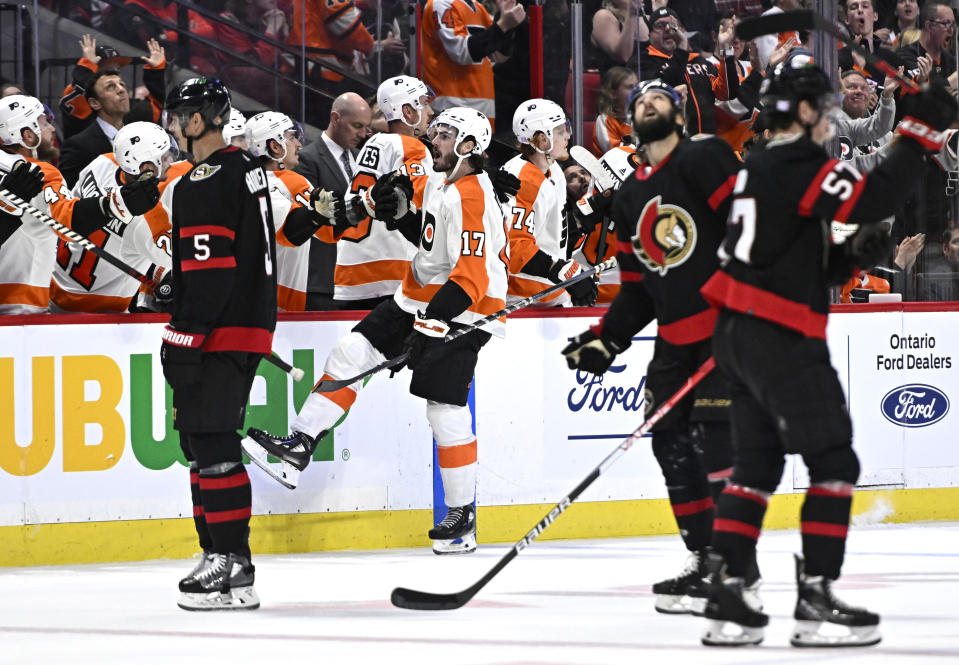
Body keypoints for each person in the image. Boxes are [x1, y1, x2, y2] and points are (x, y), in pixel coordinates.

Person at [698, 55, 957, 646]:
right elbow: (871, 196)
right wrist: (918, 133)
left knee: (756, 467)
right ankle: (815, 601)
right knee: (835, 463)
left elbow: (790, 244)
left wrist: (844, 258)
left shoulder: (757, 164)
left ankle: (729, 599)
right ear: (810, 111)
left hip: (737, 335)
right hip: (781, 337)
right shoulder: (799, 162)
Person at [243, 107, 508, 556]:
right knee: (350, 353)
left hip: (464, 313)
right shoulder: (443, 181)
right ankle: (300, 446)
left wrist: (434, 324)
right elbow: (424, 231)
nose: (433, 140)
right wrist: (398, 209)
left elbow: (472, 276)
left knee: (443, 410)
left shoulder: (473, 196)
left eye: (444, 135)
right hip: (416, 298)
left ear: (467, 147)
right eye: (436, 132)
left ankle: (462, 515)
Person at [563, 79, 741, 615]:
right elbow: (638, 286)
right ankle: (703, 557)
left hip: (723, 331)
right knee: (670, 447)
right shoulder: (630, 195)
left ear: (679, 113)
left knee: (715, 445)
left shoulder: (706, 157)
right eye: (640, 101)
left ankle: (733, 565)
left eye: (659, 99)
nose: (649, 105)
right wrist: (608, 339)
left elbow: (751, 228)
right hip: (673, 343)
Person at [159, 77, 277, 610]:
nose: (175, 122)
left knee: (212, 443)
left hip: (219, 328)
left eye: (181, 113)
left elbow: (213, 270)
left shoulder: (203, 179)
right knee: (202, 443)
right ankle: (226, 562)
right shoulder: (247, 168)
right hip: (246, 322)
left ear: (204, 116)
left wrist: (187, 331)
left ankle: (228, 560)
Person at [0, 94, 159, 313]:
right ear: (27, 135)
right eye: (42, 122)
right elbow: (67, 223)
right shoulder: (40, 173)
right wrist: (119, 203)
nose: (51, 128)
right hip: (20, 308)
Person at [50, 121, 186, 313]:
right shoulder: (151, 218)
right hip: (98, 314)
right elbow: (185, 263)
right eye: (164, 157)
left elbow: (74, 211)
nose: (170, 162)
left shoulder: (102, 163)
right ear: (146, 166)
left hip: (54, 283)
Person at [333, 76, 435, 309]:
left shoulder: (373, 143)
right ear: (408, 112)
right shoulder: (413, 147)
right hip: (390, 275)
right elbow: (427, 207)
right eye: (424, 103)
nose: (430, 111)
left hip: (351, 273)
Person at [246, 110, 347, 311]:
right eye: (291, 137)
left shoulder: (245, 180)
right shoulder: (283, 181)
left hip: (252, 295)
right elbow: (298, 231)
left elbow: (329, 231)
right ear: (274, 146)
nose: (299, 144)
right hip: (273, 300)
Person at [502, 98, 596, 307]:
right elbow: (515, 249)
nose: (568, 135)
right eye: (561, 131)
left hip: (550, 289)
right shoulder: (521, 180)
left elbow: (555, 231)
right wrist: (561, 270)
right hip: (521, 296)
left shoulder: (553, 171)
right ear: (542, 140)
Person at [294, 92, 372, 310]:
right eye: (357, 125)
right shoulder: (307, 160)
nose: (363, 134)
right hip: (324, 281)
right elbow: (312, 221)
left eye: (366, 127)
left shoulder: (363, 159)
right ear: (336, 118)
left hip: (359, 279)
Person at [421, 0, 526, 127]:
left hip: (483, 109)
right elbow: (461, 52)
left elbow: (499, 55)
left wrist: (506, 24)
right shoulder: (441, 3)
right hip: (451, 108)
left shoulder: (478, 8)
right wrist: (503, 24)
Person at [58, 35, 166, 140]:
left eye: (117, 71)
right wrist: (86, 67)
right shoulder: (81, 98)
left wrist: (156, 74)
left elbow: (156, 109)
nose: (114, 76)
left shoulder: (129, 109)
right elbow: (79, 92)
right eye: (108, 71)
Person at [593, 66, 638, 155]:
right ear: (613, 93)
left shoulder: (640, 116)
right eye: (630, 87)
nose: (636, 90)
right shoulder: (605, 120)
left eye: (637, 86)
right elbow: (616, 154)